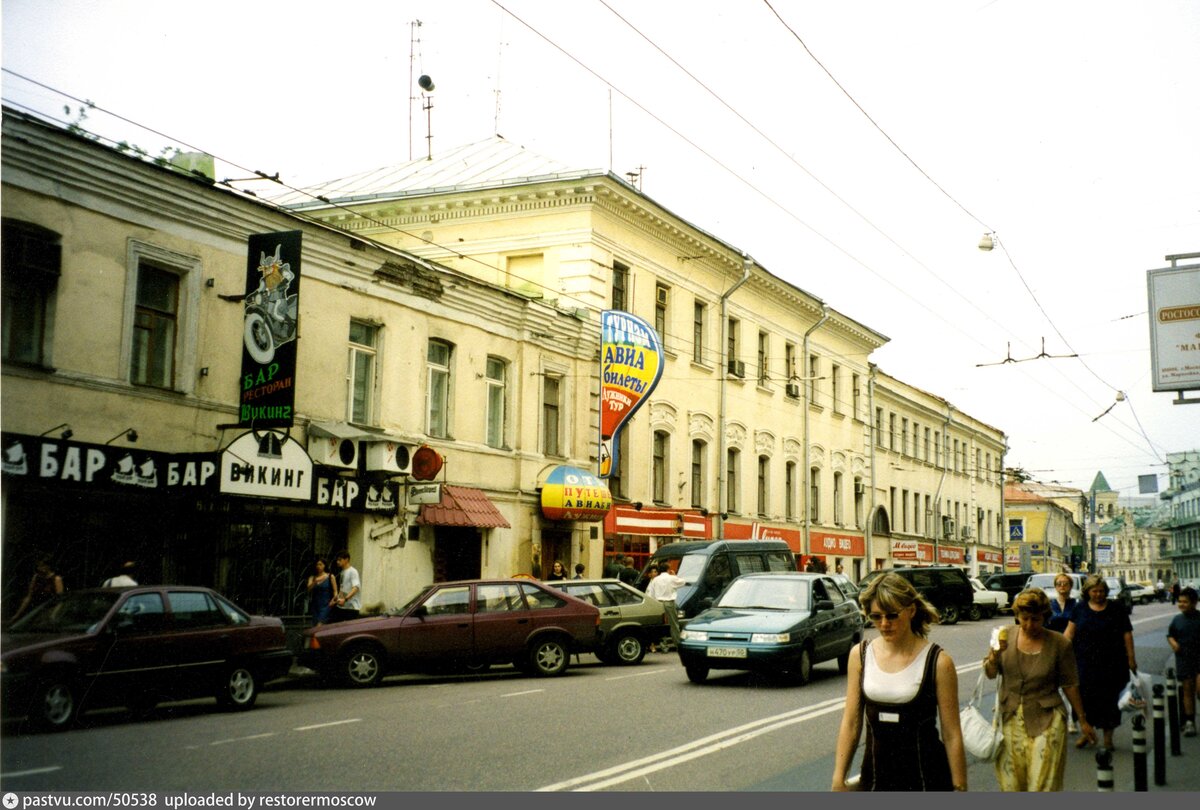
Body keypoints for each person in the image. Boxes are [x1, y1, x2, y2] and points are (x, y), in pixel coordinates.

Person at [831, 573, 968, 792]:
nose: (884, 624)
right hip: (875, 780)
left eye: (892, 615)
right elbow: (851, 723)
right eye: (876, 617)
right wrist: (839, 777)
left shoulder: (939, 662)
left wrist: (960, 786)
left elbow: (951, 733)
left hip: (926, 782)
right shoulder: (861, 655)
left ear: (911, 611)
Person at [984, 588, 1095, 791]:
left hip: (1048, 718)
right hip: (1010, 717)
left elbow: (1070, 684)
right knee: (1011, 785)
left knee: (1043, 783)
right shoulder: (1004, 636)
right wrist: (994, 655)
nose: (1029, 625)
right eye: (1024, 618)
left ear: (1045, 616)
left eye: (1035, 619)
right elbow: (991, 673)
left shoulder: (1060, 643)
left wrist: (1083, 720)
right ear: (1017, 616)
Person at [1063, 574, 1137, 750]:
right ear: (1087, 592)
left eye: (1101, 591)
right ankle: (1087, 733)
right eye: (1094, 591)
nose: (1098, 594)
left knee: (1110, 701)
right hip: (1085, 664)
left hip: (1113, 664)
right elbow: (1069, 634)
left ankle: (1107, 739)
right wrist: (1059, 652)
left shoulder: (1116, 609)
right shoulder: (1080, 609)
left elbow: (1127, 634)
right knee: (1085, 700)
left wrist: (1131, 658)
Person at [1045, 573, 1080, 732]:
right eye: (1059, 583)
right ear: (1055, 586)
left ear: (1070, 586)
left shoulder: (1076, 604)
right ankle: (1059, 718)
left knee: (1071, 684)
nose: (1062, 586)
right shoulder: (1050, 605)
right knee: (1055, 685)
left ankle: (1073, 720)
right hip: (1053, 648)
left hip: (1072, 648)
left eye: (1065, 583)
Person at [1167, 586, 1199, 737]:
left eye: (1185, 602)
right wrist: (1173, 643)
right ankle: (1189, 722)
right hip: (1183, 660)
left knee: (1199, 689)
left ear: (1194, 603)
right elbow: (1170, 635)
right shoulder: (1177, 619)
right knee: (1187, 691)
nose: (1181, 604)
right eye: (1180, 601)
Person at [12, 556, 64, 621]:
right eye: (38, 566)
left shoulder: (56, 579)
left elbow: (59, 601)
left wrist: (53, 616)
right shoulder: (36, 577)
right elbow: (29, 597)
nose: (39, 568)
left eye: (42, 566)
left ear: (48, 566)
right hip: (36, 610)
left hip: (50, 610)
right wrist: (17, 615)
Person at [306, 557, 339, 627]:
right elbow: (308, 589)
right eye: (317, 565)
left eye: (320, 564)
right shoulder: (312, 577)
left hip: (326, 605)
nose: (318, 566)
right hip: (315, 605)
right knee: (315, 626)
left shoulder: (330, 576)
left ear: (324, 565)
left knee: (319, 625)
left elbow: (335, 591)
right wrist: (315, 582)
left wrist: (334, 600)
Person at [330, 550, 361, 622]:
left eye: (340, 560)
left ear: (346, 559)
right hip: (342, 607)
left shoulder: (352, 571)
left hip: (351, 608)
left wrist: (345, 599)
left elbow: (356, 588)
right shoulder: (342, 572)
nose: (337, 562)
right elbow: (342, 589)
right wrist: (335, 600)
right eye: (337, 560)